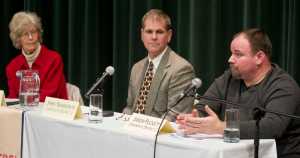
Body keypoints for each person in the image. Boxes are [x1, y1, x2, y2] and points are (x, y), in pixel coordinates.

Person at [176, 28, 300, 158]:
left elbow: (272, 127)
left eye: (238, 54)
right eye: (231, 53)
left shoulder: (283, 86)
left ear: (259, 57)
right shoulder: (229, 78)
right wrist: (196, 119)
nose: (230, 59)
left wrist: (221, 127)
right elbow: (204, 107)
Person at [123, 9, 195, 121]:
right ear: (142, 35)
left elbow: (175, 117)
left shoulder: (181, 69)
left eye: (159, 32)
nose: (154, 37)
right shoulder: (136, 68)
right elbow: (129, 108)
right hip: (132, 133)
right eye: (149, 31)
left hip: (160, 136)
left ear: (169, 35)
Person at [6, 11, 68, 102]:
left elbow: (49, 96)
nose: (31, 37)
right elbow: (13, 99)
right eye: (26, 34)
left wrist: (24, 102)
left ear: (38, 34)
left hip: (52, 113)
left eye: (33, 32)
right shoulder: (12, 67)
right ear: (18, 38)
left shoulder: (54, 59)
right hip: (23, 114)